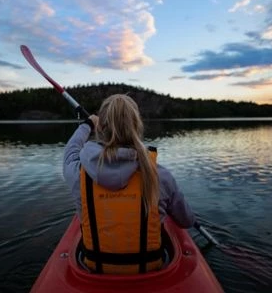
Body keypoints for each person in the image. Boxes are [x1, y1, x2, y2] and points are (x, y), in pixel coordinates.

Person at [63, 94, 196, 275]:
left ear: (101, 128)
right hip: (151, 273)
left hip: (93, 271)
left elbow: (71, 150)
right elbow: (186, 221)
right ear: (137, 126)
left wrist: (87, 125)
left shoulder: (78, 174)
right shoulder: (160, 176)